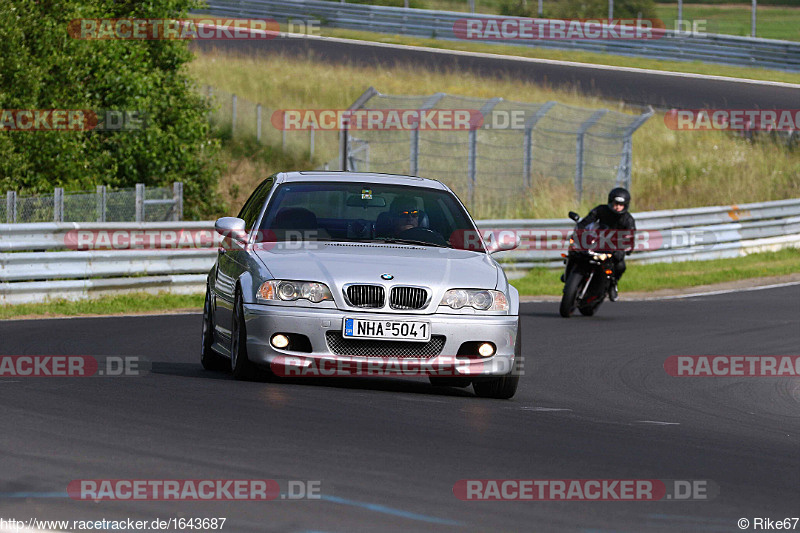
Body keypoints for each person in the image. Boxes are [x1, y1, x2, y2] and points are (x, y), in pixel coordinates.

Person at [574, 187, 636, 301]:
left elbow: (630, 238)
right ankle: (570, 273)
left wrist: (625, 249)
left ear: (625, 205)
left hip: (613, 247)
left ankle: (613, 285)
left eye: (620, 204)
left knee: (620, 265)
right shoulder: (601, 210)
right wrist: (579, 229)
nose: (617, 207)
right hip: (596, 241)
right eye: (615, 203)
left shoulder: (628, 220)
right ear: (610, 202)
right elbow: (587, 221)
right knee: (574, 250)